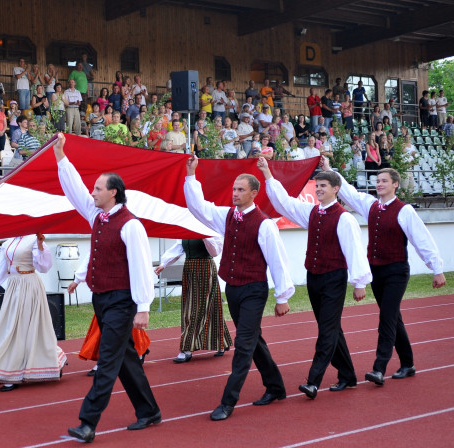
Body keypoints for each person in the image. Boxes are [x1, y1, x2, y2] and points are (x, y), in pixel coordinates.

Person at [54, 134, 161, 443]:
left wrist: (143, 307)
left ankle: (88, 422)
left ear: (113, 193)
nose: (93, 192)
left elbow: (141, 268)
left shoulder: (131, 225)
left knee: (109, 359)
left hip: (122, 302)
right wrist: (61, 156)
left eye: (98, 188)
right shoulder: (97, 216)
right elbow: (74, 191)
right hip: (101, 299)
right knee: (125, 356)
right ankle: (149, 410)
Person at [183, 154, 293, 421]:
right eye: (234, 188)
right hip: (232, 288)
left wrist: (282, 297)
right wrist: (191, 176)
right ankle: (276, 387)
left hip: (254, 289)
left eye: (240, 189)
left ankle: (227, 402)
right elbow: (200, 209)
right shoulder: (227, 216)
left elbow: (277, 261)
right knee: (254, 340)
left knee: (243, 344)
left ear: (254, 193)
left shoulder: (265, 224)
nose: (234, 193)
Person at [324, 162, 446, 386]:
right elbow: (349, 192)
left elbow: (422, 240)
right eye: (377, 181)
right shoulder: (370, 205)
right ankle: (408, 363)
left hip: (396, 271)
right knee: (394, 318)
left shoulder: (405, 210)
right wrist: (331, 170)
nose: (378, 184)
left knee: (386, 319)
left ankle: (379, 368)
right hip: (376, 272)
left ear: (395, 184)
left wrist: (436, 269)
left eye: (383, 181)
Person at [260, 158, 371, 399]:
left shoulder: (345, 218)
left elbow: (354, 250)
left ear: (336, 189)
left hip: (334, 278)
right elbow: (285, 203)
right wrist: (268, 175)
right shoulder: (311, 212)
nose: (319, 189)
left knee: (327, 330)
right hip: (314, 277)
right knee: (329, 328)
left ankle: (313, 380)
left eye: (323, 186)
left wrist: (360, 282)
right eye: (317, 186)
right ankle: (348, 375)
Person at [0, 233, 67, 390]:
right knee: (11, 326)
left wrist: (39, 246)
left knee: (25, 327)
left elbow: (44, 267)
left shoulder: (34, 239)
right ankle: (13, 368)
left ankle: (16, 371)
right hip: (13, 287)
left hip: (29, 285)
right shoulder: (8, 241)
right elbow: (3, 269)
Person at [155, 236, 232, 362]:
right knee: (198, 306)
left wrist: (204, 236)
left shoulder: (209, 228)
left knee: (196, 309)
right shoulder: (186, 229)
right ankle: (221, 341)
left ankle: (186, 349)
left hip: (205, 269)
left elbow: (215, 251)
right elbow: (178, 249)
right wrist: (164, 264)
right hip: (189, 270)